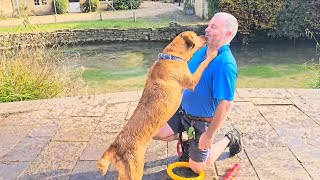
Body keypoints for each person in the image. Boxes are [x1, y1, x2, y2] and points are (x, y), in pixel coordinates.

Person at [153, 12, 242, 173]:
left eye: (213, 27)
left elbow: (226, 104)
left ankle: (230, 138)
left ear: (227, 34)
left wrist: (209, 135)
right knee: (154, 130)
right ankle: (189, 138)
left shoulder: (226, 63)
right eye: (208, 25)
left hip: (202, 122)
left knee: (197, 167)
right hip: (182, 112)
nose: (207, 29)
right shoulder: (201, 50)